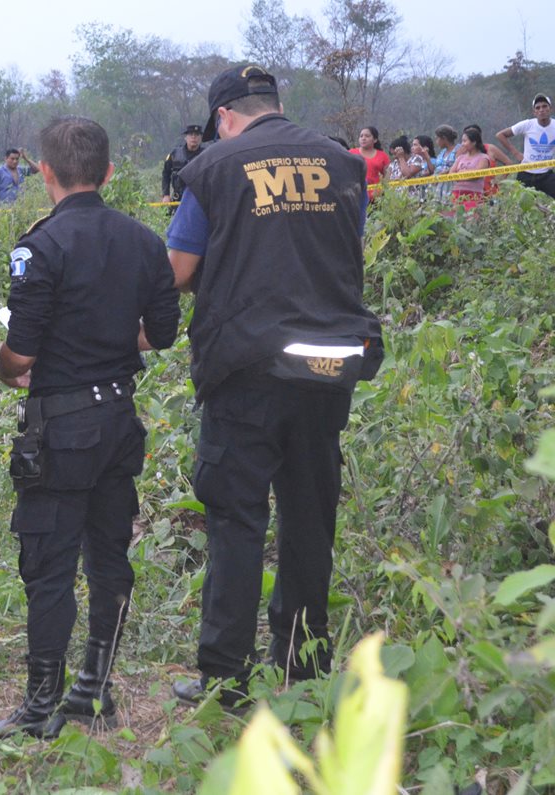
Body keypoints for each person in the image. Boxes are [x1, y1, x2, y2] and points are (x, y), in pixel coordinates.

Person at [164, 65, 382, 708]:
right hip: (327, 367)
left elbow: (178, 270)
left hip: (246, 369)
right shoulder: (344, 165)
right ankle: (304, 662)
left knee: (235, 517)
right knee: (311, 515)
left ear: (225, 116)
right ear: (276, 106)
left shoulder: (213, 168)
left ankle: (225, 675)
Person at [0, 117, 180, 739]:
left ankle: (41, 706)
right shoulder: (145, 241)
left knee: (48, 563)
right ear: (110, 173)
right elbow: (166, 333)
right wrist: (116, 337)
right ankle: (94, 688)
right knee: (108, 555)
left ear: (43, 173)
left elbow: (21, 348)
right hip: (119, 418)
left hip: (62, 427)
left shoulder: (40, 245)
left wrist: (5, 369)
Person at [496, 93, 555, 199]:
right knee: (521, 208)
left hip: (546, 174)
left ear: (550, 109)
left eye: (544, 106)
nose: (541, 110)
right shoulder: (527, 124)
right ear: (534, 112)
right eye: (538, 107)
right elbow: (500, 135)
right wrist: (516, 153)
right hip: (526, 173)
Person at [161, 124, 207, 205]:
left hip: (199, 200)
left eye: (196, 135)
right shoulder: (175, 154)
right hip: (178, 198)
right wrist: (166, 194)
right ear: (185, 137)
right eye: (191, 134)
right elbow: (166, 174)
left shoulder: (206, 154)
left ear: (201, 138)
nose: (193, 137)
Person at [449, 127, 491, 211]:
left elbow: (476, 175)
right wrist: (467, 173)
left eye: (465, 141)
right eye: (462, 141)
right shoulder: (460, 158)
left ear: (474, 142)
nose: (462, 144)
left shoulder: (483, 158)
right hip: (457, 194)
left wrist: (460, 173)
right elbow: (451, 174)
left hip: (474, 195)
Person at [350, 126, 389, 197]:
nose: (363, 138)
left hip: (376, 198)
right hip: (355, 196)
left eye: (367, 136)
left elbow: (387, 176)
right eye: (361, 136)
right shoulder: (351, 153)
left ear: (375, 140)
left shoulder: (383, 156)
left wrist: (381, 191)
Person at [432, 125, 459, 200]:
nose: (436, 141)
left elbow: (458, 165)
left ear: (444, 138)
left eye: (437, 138)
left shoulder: (458, 149)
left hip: (451, 187)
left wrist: (444, 173)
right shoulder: (442, 152)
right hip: (438, 189)